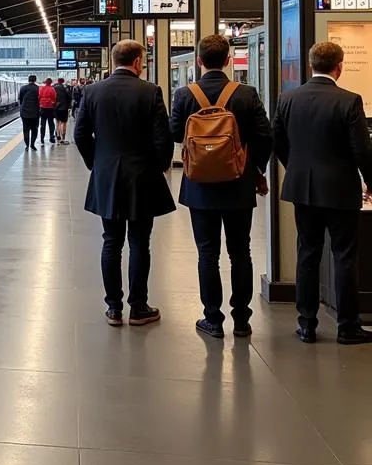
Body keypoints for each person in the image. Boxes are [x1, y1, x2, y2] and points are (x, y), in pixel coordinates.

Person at [169, 34, 273, 339]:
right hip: (238, 185)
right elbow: (265, 136)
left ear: (199, 61)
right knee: (241, 252)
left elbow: (176, 133)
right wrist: (256, 169)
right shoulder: (246, 94)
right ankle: (242, 319)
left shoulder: (184, 95)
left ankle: (212, 319)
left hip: (199, 186)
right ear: (228, 60)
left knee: (207, 253)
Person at [272, 41, 372, 344]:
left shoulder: (287, 99)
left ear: (309, 65)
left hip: (303, 188)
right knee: (344, 255)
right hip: (341, 189)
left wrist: (296, 168)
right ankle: (347, 326)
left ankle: (307, 324)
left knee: (307, 252)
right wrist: (370, 181)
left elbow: (279, 142)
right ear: (339, 67)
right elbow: (362, 152)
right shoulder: (349, 101)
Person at [74, 40, 175, 326]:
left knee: (111, 242)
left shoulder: (92, 91)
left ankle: (114, 308)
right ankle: (139, 307)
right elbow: (162, 138)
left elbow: (81, 134)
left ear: (115, 60)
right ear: (138, 61)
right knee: (140, 242)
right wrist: (159, 167)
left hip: (107, 177)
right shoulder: (150, 91)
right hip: (142, 176)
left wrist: (97, 163)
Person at [17, 74, 40, 150]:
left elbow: (20, 99)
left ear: (28, 80)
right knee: (34, 129)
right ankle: (32, 144)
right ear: (35, 80)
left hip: (24, 112)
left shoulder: (23, 88)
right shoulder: (38, 88)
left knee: (26, 129)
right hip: (35, 112)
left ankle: (27, 145)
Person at [38, 77, 57, 145]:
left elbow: (39, 97)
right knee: (51, 123)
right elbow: (54, 99)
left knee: (43, 124)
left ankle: (42, 138)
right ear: (51, 83)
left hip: (42, 108)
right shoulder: (52, 89)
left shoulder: (41, 89)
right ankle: (51, 137)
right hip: (50, 108)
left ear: (45, 82)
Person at [54, 77, 72, 144]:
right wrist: (69, 106)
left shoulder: (54, 87)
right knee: (63, 122)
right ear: (63, 81)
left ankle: (58, 136)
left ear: (58, 81)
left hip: (56, 108)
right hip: (64, 108)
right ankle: (62, 138)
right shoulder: (66, 88)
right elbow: (69, 98)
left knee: (57, 122)